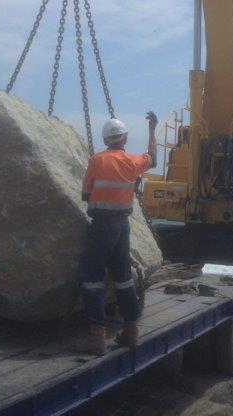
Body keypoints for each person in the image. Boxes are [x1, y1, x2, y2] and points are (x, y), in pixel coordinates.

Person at [72, 111, 158, 356]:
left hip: (102, 226)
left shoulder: (97, 161)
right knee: (123, 278)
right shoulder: (133, 162)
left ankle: (96, 336)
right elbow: (152, 157)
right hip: (122, 225)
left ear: (106, 139)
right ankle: (130, 331)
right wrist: (153, 129)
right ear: (125, 138)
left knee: (91, 277)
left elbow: (85, 194)